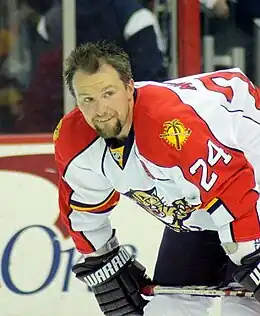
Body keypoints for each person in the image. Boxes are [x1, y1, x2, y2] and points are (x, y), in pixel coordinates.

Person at [54, 41, 260, 315]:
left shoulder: (169, 127)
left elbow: (232, 187)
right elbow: (83, 213)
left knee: (241, 307)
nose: (100, 110)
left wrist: (251, 261)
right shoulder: (75, 140)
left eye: (108, 93)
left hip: (250, 187)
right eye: (87, 99)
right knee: (167, 308)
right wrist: (101, 258)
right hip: (196, 209)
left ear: (129, 87)